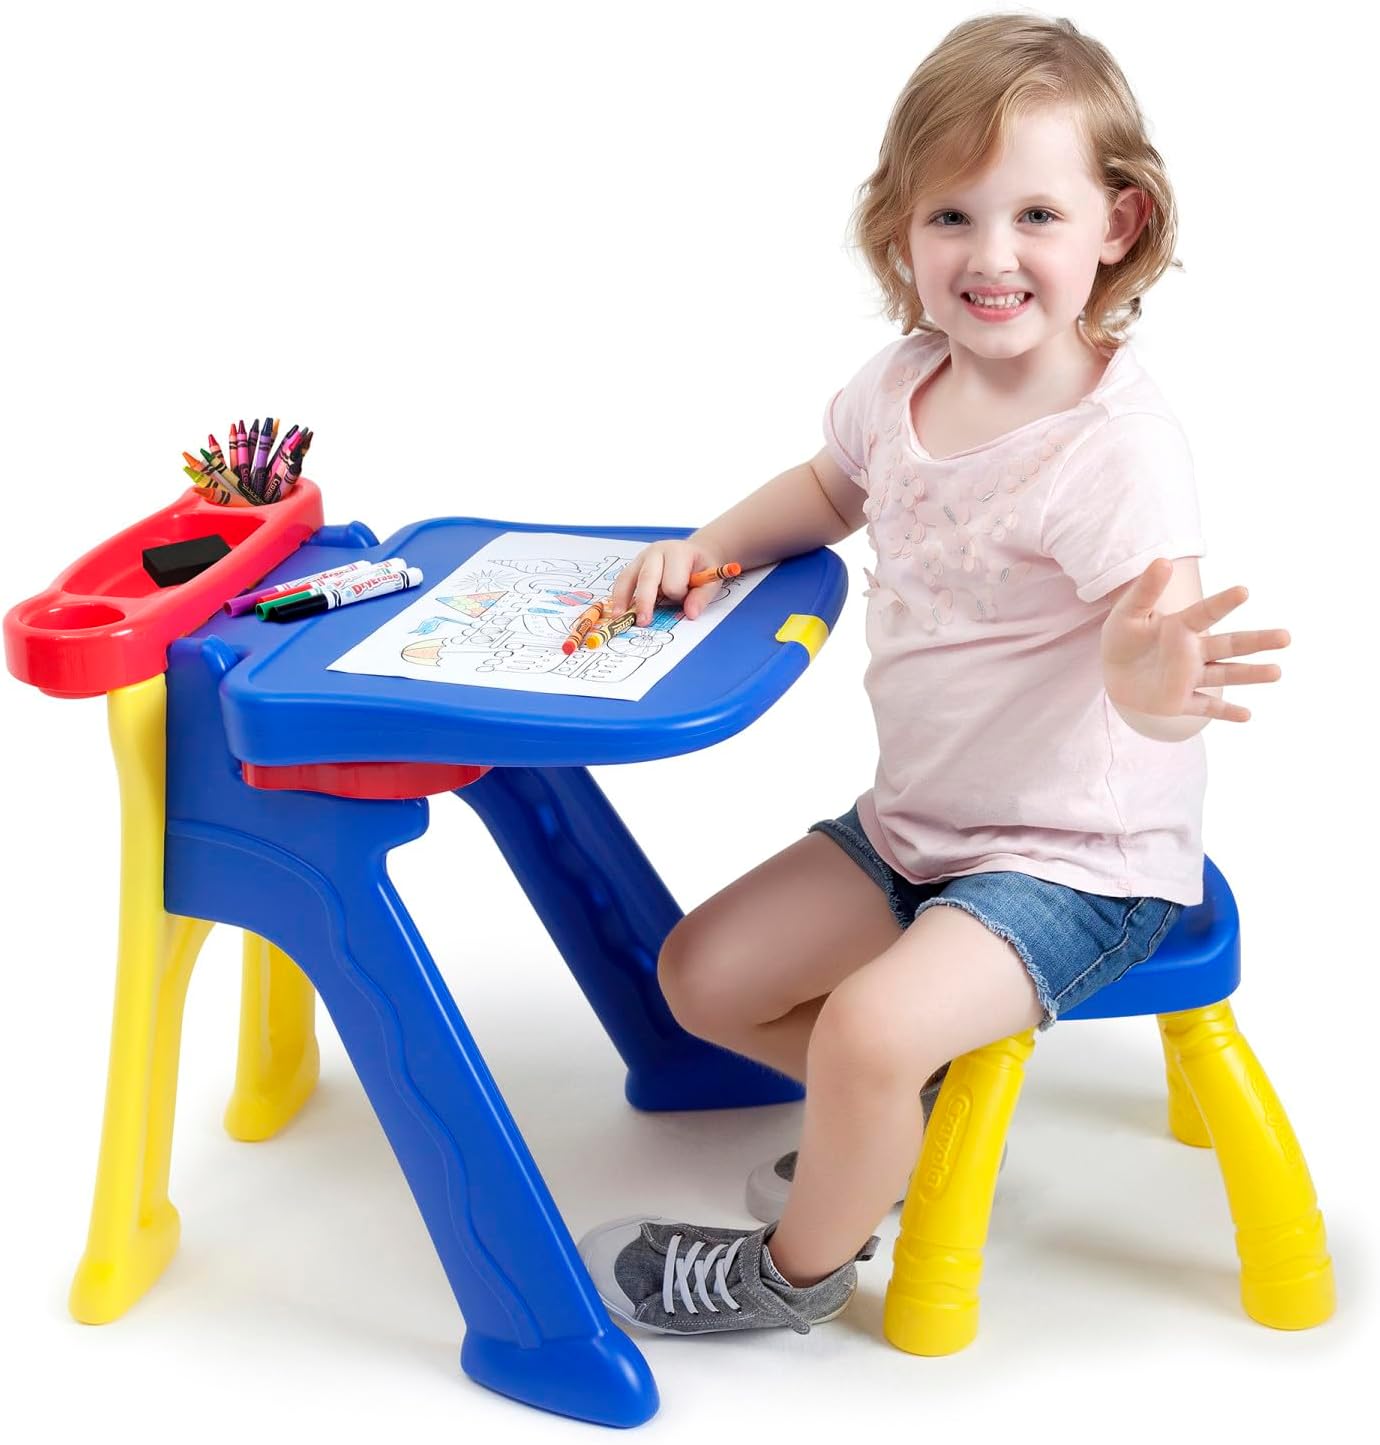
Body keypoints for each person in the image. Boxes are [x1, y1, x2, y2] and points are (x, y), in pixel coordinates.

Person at [576, 11, 1290, 1338]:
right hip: (919, 823)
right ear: (899, 228)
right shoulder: (902, 380)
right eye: (952, 215)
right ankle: (895, 1124)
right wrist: (707, 548)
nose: (991, 254)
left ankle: (793, 1274)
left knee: (862, 1028)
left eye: (1037, 214)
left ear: (1119, 225)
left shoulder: (1115, 448)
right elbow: (829, 488)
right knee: (701, 976)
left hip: (1078, 858)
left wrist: (1152, 681)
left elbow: (1160, 651)